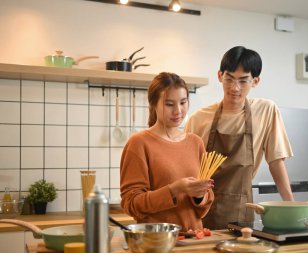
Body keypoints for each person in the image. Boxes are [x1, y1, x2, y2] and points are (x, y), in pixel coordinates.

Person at [185, 46, 294, 229]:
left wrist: (291, 206)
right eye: (229, 79)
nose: (235, 88)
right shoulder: (198, 118)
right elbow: (187, 170)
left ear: (255, 81)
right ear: (220, 76)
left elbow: (276, 161)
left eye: (243, 81)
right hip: (201, 210)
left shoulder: (266, 110)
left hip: (241, 213)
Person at [120, 72, 214, 231]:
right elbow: (131, 204)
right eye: (169, 104)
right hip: (157, 241)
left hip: (193, 241)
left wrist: (200, 196)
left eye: (183, 102)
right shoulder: (138, 143)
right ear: (153, 104)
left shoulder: (195, 142)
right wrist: (175, 189)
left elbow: (205, 204)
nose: (178, 111)